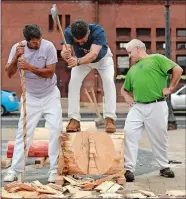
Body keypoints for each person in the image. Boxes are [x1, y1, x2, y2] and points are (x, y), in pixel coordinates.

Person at [4, 24, 63, 183]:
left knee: (56, 130)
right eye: (34, 42)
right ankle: (15, 170)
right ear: (27, 40)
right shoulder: (18, 48)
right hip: (30, 97)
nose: (37, 44)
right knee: (23, 133)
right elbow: (8, 73)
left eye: (39, 41)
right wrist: (16, 57)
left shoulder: (49, 46)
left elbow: (49, 73)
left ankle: (54, 170)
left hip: (50, 94)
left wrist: (29, 67)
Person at [121, 39, 183, 182]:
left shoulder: (157, 59)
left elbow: (178, 70)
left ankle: (163, 167)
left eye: (130, 52)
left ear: (138, 49)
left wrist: (171, 88)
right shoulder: (132, 69)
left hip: (157, 105)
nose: (129, 56)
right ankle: (129, 169)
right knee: (129, 132)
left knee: (159, 137)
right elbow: (124, 89)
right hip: (137, 107)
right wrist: (127, 97)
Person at [60, 20, 117, 133]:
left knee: (109, 81)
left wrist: (77, 61)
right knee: (74, 83)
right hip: (80, 60)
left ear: (88, 32)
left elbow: (93, 54)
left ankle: (110, 118)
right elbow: (64, 52)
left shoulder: (98, 31)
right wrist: (65, 54)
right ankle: (74, 119)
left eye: (83, 40)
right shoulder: (68, 32)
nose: (81, 43)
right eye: (78, 41)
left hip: (102, 59)